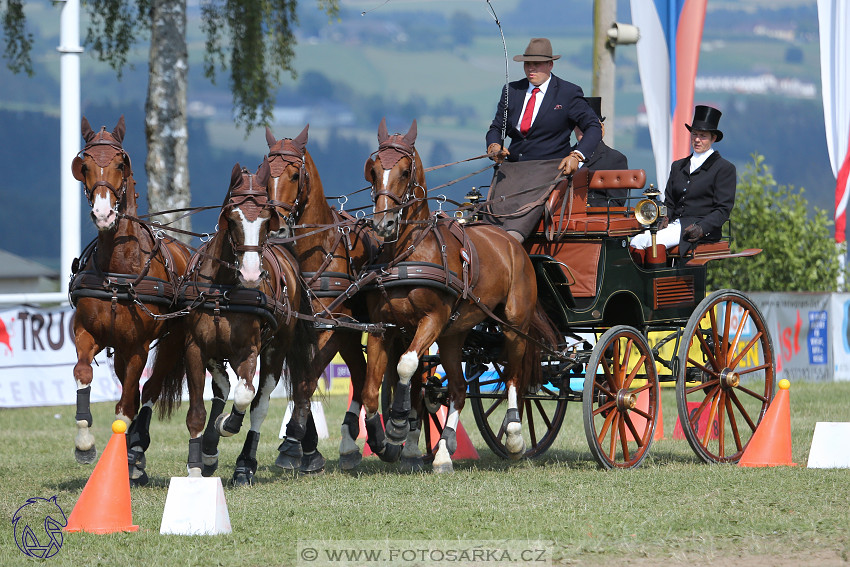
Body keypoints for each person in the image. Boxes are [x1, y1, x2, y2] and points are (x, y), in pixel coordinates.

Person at [484, 37, 602, 242]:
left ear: (550, 65)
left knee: (512, 231)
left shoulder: (568, 93)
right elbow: (496, 128)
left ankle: (511, 245)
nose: (531, 69)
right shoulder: (511, 91)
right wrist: (494, 145)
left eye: (537, 64)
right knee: (489, 225)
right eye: (528, 64)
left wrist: (577, 155)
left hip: (548, 169)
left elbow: (593, 127)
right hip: (512, 170)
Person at [630, 105, 736, 256]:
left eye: (703, 136)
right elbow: (670, 202)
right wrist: (664, 217)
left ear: (713, 138)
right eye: (694, 134)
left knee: (650, 243)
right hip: (674, 225)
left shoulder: (724, 168)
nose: (697, 140)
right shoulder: (678, 166)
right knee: (636, 240)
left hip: (698, 229)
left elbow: (722, 210)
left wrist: (701, 228)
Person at [576, 96, 629, 206]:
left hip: (595, 219)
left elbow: (617, 202)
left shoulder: (615, 159)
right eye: (580, 125)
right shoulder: (562, 155)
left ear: (601, 128)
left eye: (590, 126)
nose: (585, 130)